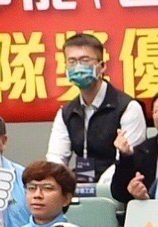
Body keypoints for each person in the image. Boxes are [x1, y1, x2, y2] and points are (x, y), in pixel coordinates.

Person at [44, 33, 144, 184]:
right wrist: (62, 184)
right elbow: (56, 157)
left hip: (118, 187)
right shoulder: (66, 112)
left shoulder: (128, 107)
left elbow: (130, 158)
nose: (78, 67)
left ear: (102, 66)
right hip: (81, 186)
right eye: (72, 61)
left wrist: (101, 187)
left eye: (85, 61)